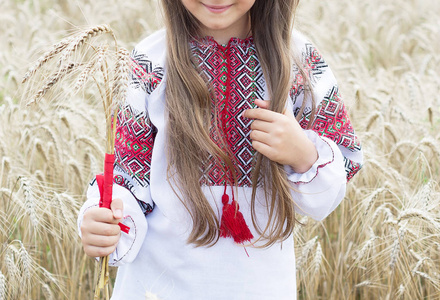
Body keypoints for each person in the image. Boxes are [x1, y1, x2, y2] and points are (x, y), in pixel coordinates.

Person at [78, 0, 363, 299]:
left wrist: (303, 154)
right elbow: (127, 177)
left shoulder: (299, 61)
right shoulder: (149, 62)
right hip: (158, 285)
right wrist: (102, 221)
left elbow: (346, 161)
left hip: (260, 286)